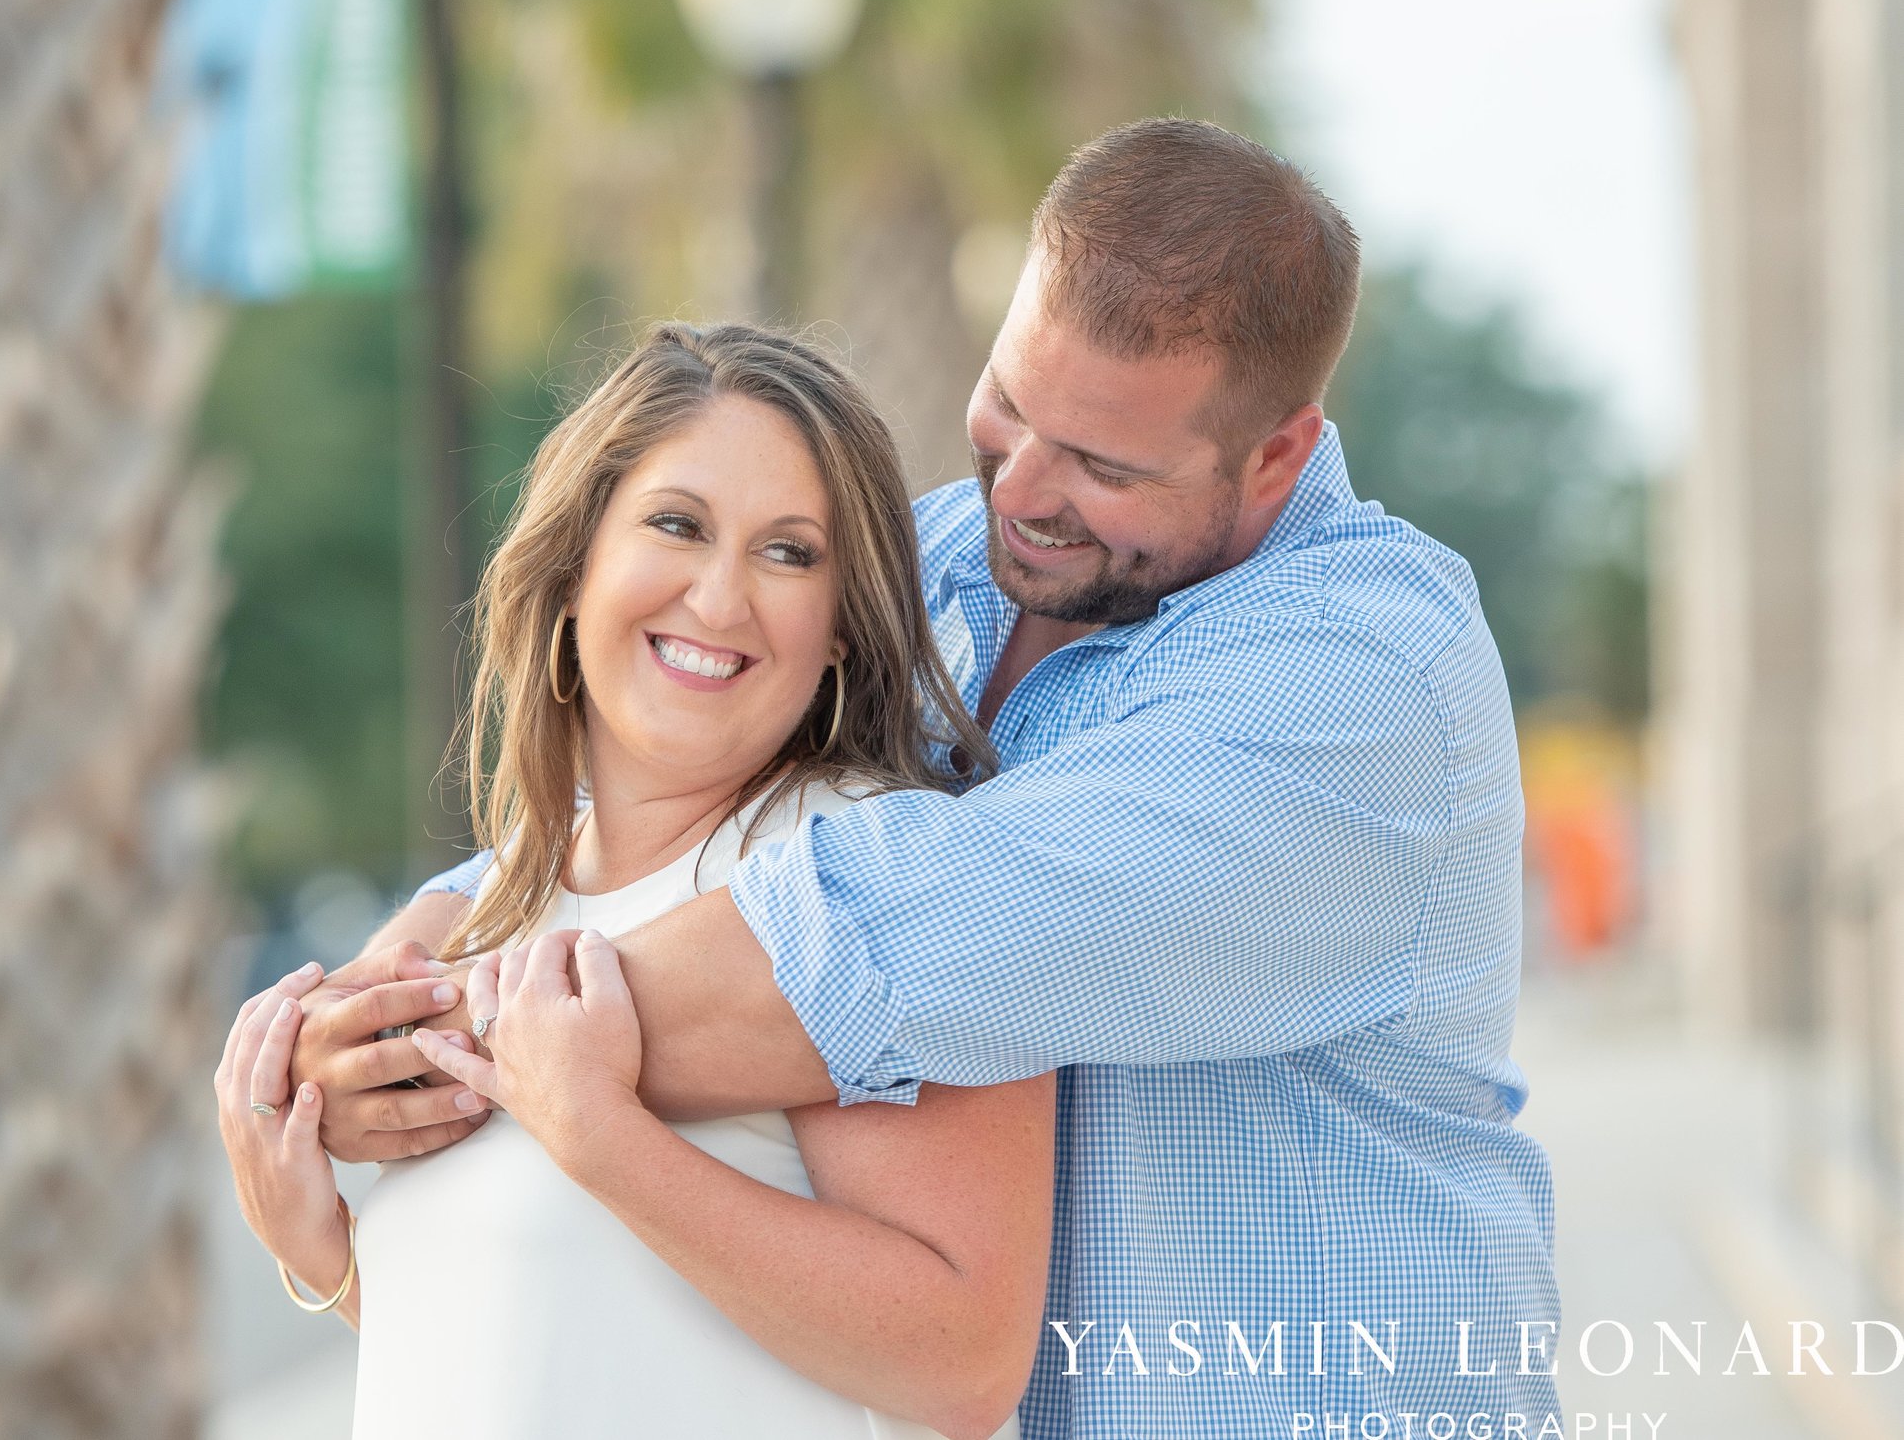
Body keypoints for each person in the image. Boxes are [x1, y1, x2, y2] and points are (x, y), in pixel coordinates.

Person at [295, 119, 1564, 1438]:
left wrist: (420, 1044)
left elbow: (907, 930)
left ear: (1276, 458)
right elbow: (639, 825)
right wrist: (347, 1017)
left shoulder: (1365, 676)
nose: (1024, 487)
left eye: (1106, 465)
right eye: (1012, 402)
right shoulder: (951, 558)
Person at [214, 324, 1053, 1440]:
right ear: (571, 571)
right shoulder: (489, 904)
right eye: (676, 524)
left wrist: (605, 1139)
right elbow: (552, 1348)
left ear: (841, 631)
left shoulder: (860, 876)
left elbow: (962, 1364)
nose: (717, 599)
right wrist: (315, 1248)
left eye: (789, 552)